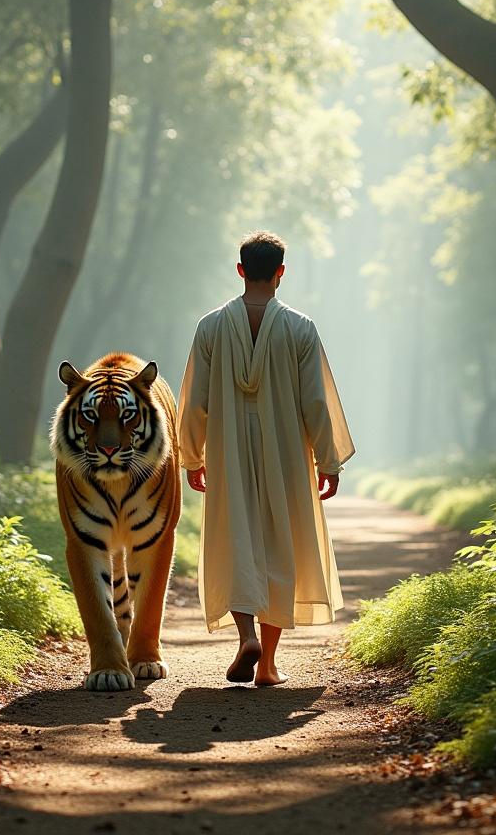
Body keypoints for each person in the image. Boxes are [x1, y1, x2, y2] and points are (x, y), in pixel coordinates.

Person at [177, 231, 354, 686]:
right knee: (280, 542)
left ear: (240, 271)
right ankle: (269, 664)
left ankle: (245, 638)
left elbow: (195, 401)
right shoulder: (299, 328)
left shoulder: (211, 327)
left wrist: (192, 456)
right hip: (287, 453)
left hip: (228, 448)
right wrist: (329, 461)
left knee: (238, 538)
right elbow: (315, 402)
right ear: (280, 273)